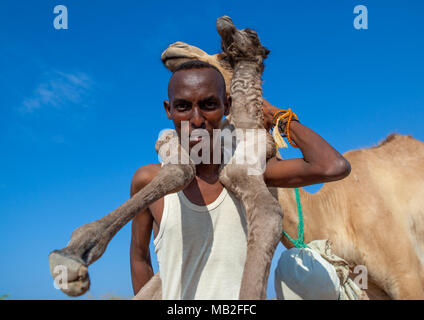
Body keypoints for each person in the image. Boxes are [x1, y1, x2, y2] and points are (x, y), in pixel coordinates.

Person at [129, 60, 351, 299]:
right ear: (168, 109)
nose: (196, 120)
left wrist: (275, 115)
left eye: (209, 105)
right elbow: (139, 258)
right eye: (183, 107)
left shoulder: (250, 172)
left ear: (227, 106)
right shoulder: (149, 180)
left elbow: (332, 166)